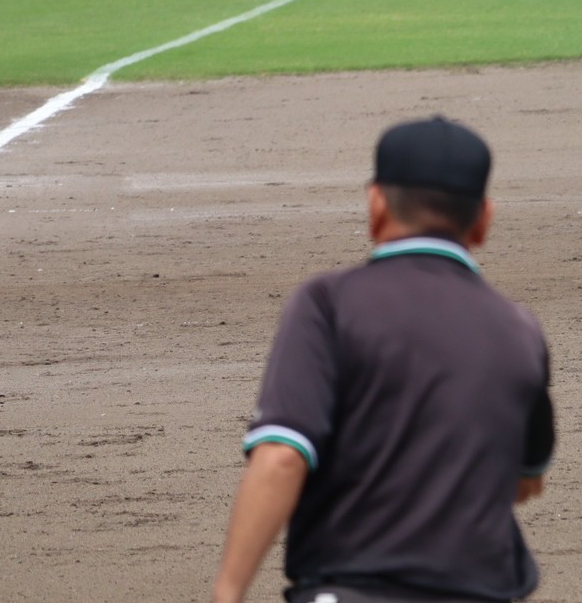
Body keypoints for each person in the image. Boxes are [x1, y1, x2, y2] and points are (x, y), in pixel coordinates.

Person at [213, 117, 554, 603]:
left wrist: (228, 593)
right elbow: (526, 480)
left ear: (376, 204)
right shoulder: (520, 329)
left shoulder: (329, 303)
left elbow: (283, 456)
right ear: (483, 220)